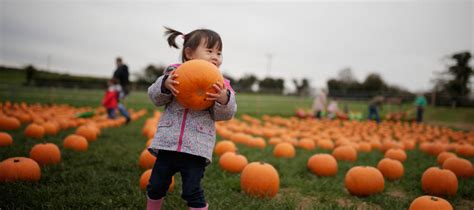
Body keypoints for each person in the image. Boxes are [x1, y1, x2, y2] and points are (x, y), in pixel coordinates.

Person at [146, 27, 237, 210]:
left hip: (196, 147)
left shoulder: (221, 83)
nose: (215, 57)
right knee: (156, 185)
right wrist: (165, 85)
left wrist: (223, 99)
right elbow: (155, 97)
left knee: (192, 191)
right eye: (209, 51)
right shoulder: (174, 73)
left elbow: (226, 114)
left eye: (219, 53)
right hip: (168, 143)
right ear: (189, 53)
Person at [112, 57, 131, 123]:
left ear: (119, 61)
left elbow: (116, 76)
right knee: (117, 102)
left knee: (117, 102)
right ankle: (122, 115)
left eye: (117, 62)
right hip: (121, 87)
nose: (116, 63)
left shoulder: (123, 67)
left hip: (122, 88)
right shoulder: (120, 68)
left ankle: (126, 115)